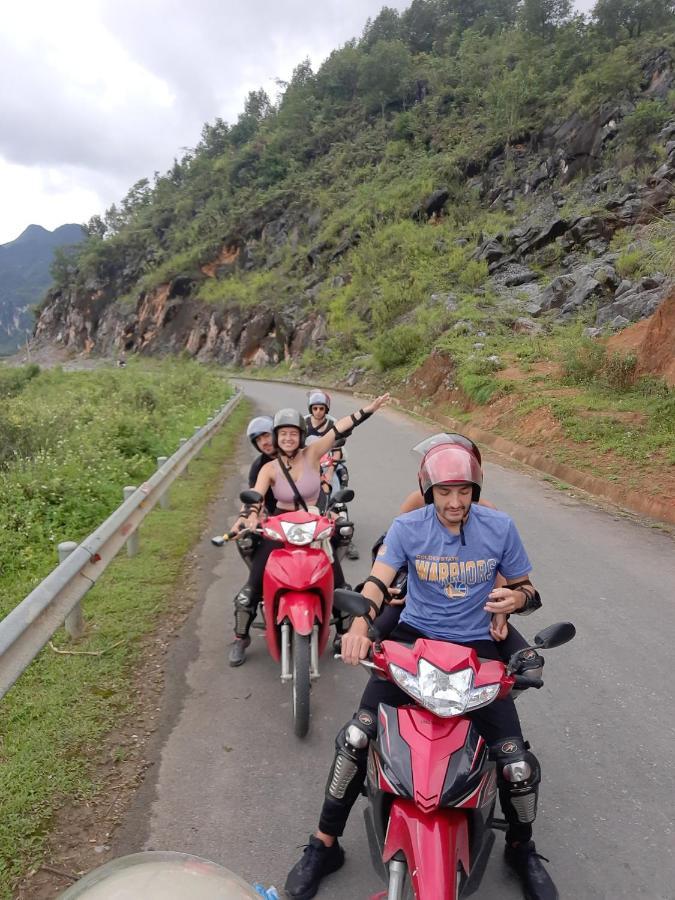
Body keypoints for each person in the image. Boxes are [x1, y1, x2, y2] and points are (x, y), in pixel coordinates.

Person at [285, 441, 557, 900]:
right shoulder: (408, 527)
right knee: (355, 739)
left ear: (475, 489)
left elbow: (527, 588)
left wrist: (517, 600)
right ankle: (324, 844)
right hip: (413, 642)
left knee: (515, 764)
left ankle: (521, 847)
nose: (454, 502)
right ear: (428, 491)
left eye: (463, 491)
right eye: (444, 492)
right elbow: (377, 581)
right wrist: (358, 625)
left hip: (477, 648)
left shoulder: (500, 527)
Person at [227, 395, 390, 666]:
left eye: (293, 433)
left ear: (301, 436)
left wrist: (368, 410)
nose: (288, 438)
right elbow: (256, 496)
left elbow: (339, 429)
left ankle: (342, 633)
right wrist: (248, 517)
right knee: (252, 587)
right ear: (276, 437)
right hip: (279, 527)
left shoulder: (313, 454)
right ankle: (240, 637)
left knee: (339, 584)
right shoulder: (268, 468)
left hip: (314, 526)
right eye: (283, 434)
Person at [305, 391, 357, 558]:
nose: (318, 411)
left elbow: (337, 450)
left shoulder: (332, 424)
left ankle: (346, 537)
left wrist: (329, 471)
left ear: (326, 409)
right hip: (307, 465)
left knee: (336, 496)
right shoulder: (303, 423)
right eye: (315, 408)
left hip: (330, 464)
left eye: (321, 408)